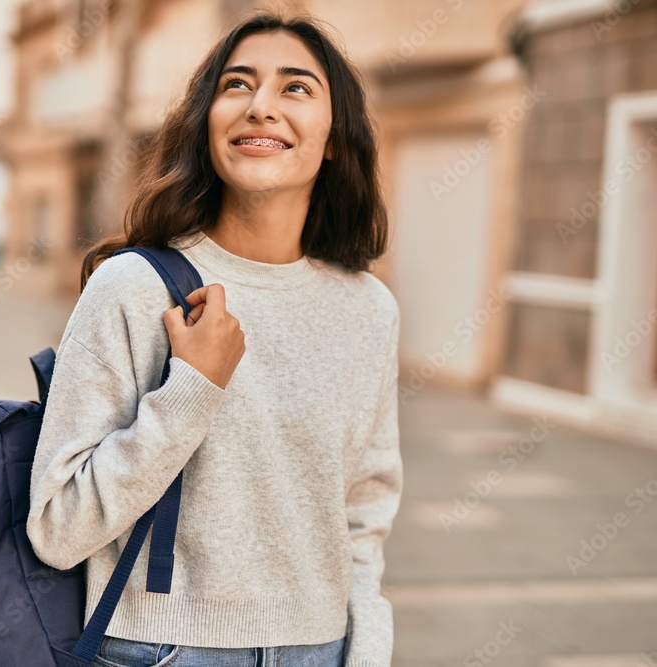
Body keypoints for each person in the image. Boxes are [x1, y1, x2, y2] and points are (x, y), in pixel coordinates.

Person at [27, 10, 402, 667]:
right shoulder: (133, 287)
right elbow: (59, 527)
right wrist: (190, 391)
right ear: (207, 123)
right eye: (237, 85)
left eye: (295, 87)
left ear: (335, 139)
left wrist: (367, 649)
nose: (261, 106)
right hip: (160, 648)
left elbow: (364, 514)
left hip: (320, 648)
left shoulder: (368, 309)